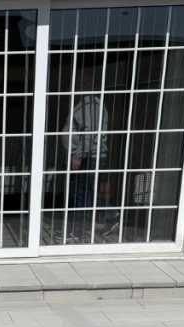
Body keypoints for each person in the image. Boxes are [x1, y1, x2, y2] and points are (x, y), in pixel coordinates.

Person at [62, 63, 119, 242]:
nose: (76, 86)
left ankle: (80, 231)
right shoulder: (85, 104)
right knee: (84, 191)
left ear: (88, 84)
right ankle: (110, 215)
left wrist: (78, 155)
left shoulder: (90, 105)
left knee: (82, 193)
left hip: (89, 156)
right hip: (88, 155)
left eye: (80, 83)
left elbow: (90, 133)